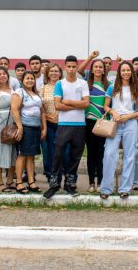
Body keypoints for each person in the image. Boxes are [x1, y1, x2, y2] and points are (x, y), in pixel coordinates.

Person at [44, 55, 90, 199]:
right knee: (58, 155)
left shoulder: (82, 83)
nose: (71, 69)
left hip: (80, 125)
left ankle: (70, 185)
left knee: (75, 156)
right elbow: (57, 105)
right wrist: (77, 104)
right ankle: (54, 185)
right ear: (65, 67)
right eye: (68, 67)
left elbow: (86, 104)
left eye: (73, 67)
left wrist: (68, 102)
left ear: (77, 67)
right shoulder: (60, 84)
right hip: (63, 125)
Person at [99, 61, 138, 199]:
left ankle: (125, 189)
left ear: (131, 72)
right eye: (123, 70)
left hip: (130, 124)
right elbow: (106, 106)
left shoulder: (136, 88)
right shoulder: (112, 87)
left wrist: (129, 116)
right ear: (119, 72)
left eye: (128, 70)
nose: (126, 72)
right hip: (114, 123)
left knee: (130, 156)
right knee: (109, 154)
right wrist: (114, 113)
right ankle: (106, 188)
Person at [11, 71, 46, 194]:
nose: (30, 80)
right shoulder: (19, 92)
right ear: (22, 80)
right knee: (22, 155)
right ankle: (19, 183)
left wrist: (44, 128)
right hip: (25, 128)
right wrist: (20, 127)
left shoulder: (36, 94)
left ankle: (31, 182)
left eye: (32, 78)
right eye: (27, 78)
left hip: (36, 128)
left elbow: (42, 112)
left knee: (31, 156)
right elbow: (14, 110)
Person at [84, 58, 109, 192]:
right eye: (96, 67)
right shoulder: (86, 84)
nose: (98, 69)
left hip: (103, 122)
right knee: (91, 153)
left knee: (101, 153)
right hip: (88, 122)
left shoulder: (108, 85)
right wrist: (90, 57)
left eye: (101, 67)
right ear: (92, 69)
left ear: (104, 70)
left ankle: (100, 181)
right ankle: (91, 183)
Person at [40, 63, 63, 181]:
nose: (54, 73)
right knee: (49, 150)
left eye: (56, 71)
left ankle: (61, 174)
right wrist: (45, 119)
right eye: (51, 71)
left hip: (63, 123)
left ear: (60, 73)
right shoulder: (43, 88)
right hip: (47, 123)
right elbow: (40, 106)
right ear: (47, 73)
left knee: (62, 151)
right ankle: (50, 175)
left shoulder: (64, 86)